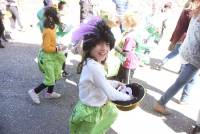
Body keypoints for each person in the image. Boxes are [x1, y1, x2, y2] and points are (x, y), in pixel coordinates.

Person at [69, 17, 133, 134]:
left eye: (107, 44)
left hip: (90, 108)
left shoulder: (91, 62)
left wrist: (114, 83)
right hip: (90, 113)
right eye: (98, 43)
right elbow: (111, 94)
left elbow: (97, 83)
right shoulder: (94, 67)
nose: (104, 48)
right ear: (90, 45)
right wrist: (129, 98)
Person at [154, 4, 200, 115]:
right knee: (181, 81)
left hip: (187, 50)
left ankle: (184, 98)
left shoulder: (196, 12)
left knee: (191, 78)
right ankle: (161, 103)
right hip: (194, 56)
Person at [28, 7, 66, 104]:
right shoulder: (48, 30)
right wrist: (58, 48)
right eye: (56, 14)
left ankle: (49, 93)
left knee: (56, 73)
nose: (58, 15)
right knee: (50, 78)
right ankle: (34, 92)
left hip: (53, 55)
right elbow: (46, 48)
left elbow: (52, 42)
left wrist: (58, 45)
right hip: (47, 57)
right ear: (50, 16)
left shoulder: (52, 25)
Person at [157, 0, 195, 70]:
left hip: (179, 34)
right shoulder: (189, 13)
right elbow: (189, 26)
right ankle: (162, 62)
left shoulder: (184, 11)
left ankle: (180, 69)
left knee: (180, 53)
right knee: (178, 53)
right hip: (183, 36)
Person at [115, 12, 139, 84]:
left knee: (127, 84)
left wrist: (115, 47)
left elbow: (125, 54)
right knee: (118, 80)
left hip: (129, 63)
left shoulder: (129, 36)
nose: (123, 22)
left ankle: (127, 95)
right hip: (126, 62)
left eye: (125, 20)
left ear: (129, 22)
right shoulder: (130, 32)